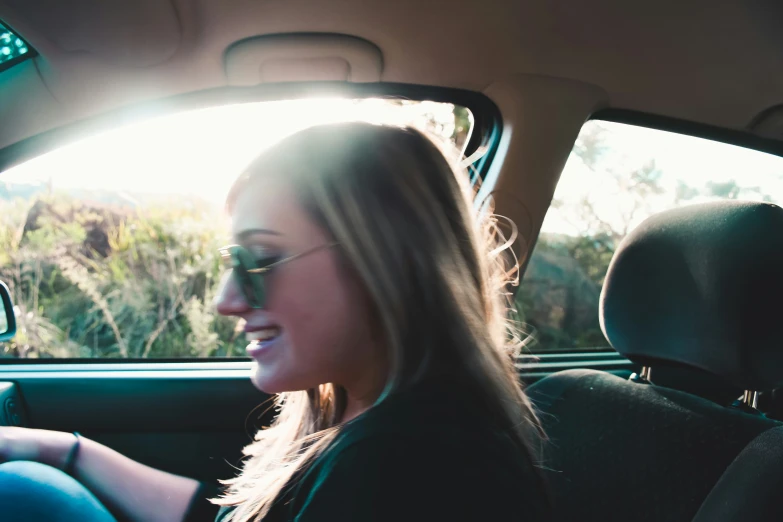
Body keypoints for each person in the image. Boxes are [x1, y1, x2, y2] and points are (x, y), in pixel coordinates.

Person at [0, 122, 551, 522]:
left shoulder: (409, 467)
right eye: (229, 262)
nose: (226, 301)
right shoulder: (372, 419)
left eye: (258, 259)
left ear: (385, 259)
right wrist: (65, 451)